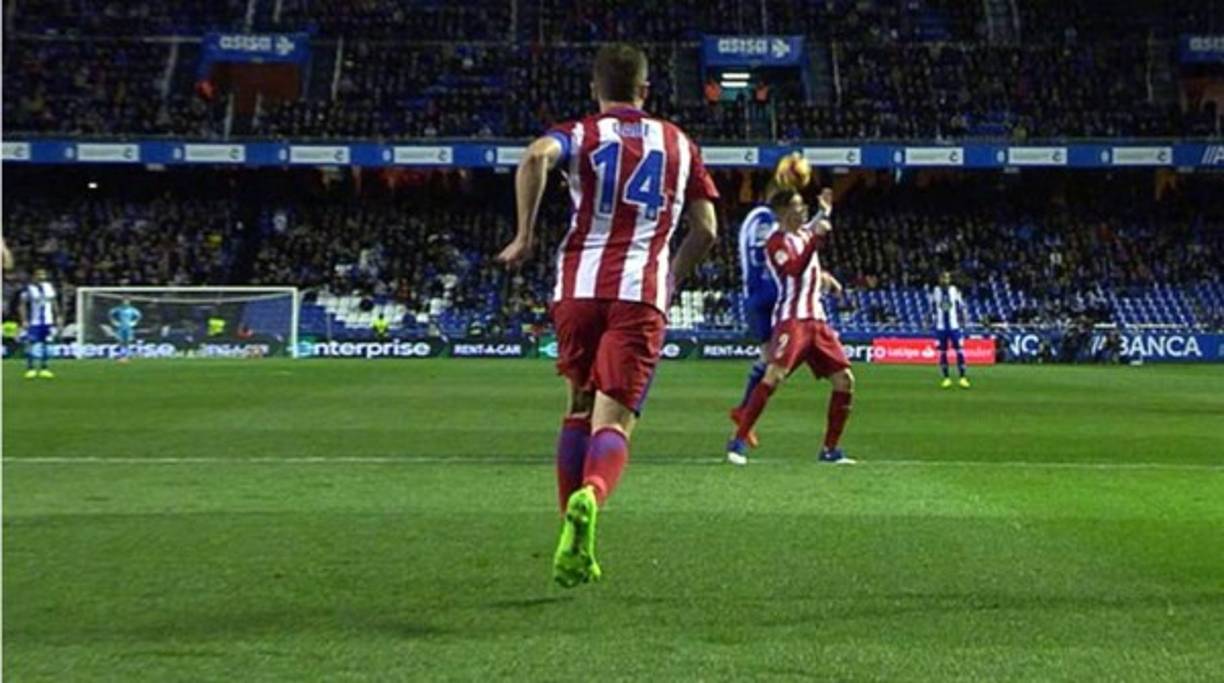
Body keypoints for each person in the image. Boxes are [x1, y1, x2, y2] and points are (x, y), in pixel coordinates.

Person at [496, 43, 720, 588]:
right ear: (645, 90)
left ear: (596, 89)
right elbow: (707, 230)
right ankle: (591, 496)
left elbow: (534, 157)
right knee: (614, 422)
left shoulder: (581, 132)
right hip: (639, 293)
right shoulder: (679, 142)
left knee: (577, 407)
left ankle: (569, 535)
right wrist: (670, 276)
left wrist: (524, 235)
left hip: (577, 287)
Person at [728, 189, 857, 465]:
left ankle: (830, 450)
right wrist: (817, 239)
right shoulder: (776, 243)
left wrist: (825, 211)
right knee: (773, 376)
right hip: (792, 321)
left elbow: (815, 228)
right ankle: (737, 441)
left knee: (844, 380)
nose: (804, 210)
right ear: (785, 211)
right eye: (799, 206)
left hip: (817, 321)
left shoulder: (804, 233)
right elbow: (793, 269)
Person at [931, 271, 970, 388]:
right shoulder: (936, 291)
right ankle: (946, 378)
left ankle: (962, 378)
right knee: (942, 352)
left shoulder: (954, 290)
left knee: (959, 350)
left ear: (950, 279)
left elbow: (961, 306)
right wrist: (931, 320)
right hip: (941, 327)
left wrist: (963, 320)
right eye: (943, 278)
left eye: (947, 278)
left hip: (954, 327)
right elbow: (933, 307)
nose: (945, 280)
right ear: (939, 279)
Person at [19, 268, 58, 379]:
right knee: (31, 343)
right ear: (34, 276)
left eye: (43, 274)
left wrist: (57, 316)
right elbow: (22, 305)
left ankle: (44, 368)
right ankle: (30, 368)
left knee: (46, 343)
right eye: (39, 274)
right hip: (34, 321)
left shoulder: (49, 287)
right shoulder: (28, 288)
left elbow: (54, 302)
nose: (42, 276)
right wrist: (24, 320)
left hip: (48, 320)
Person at [108, 297, 142, 362]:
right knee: (120, 341)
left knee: (127, 342)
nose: (125, 302)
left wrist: (134, 322)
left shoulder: (132, 310)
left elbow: (139, 315)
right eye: (124, 301)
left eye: (127, 301)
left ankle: (126, 355)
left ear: (129, 302)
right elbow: (110, 313)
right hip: (121, 327)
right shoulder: (119, 309)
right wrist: (114, 321)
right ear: (122, 302)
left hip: (128, 327)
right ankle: (121, 355)